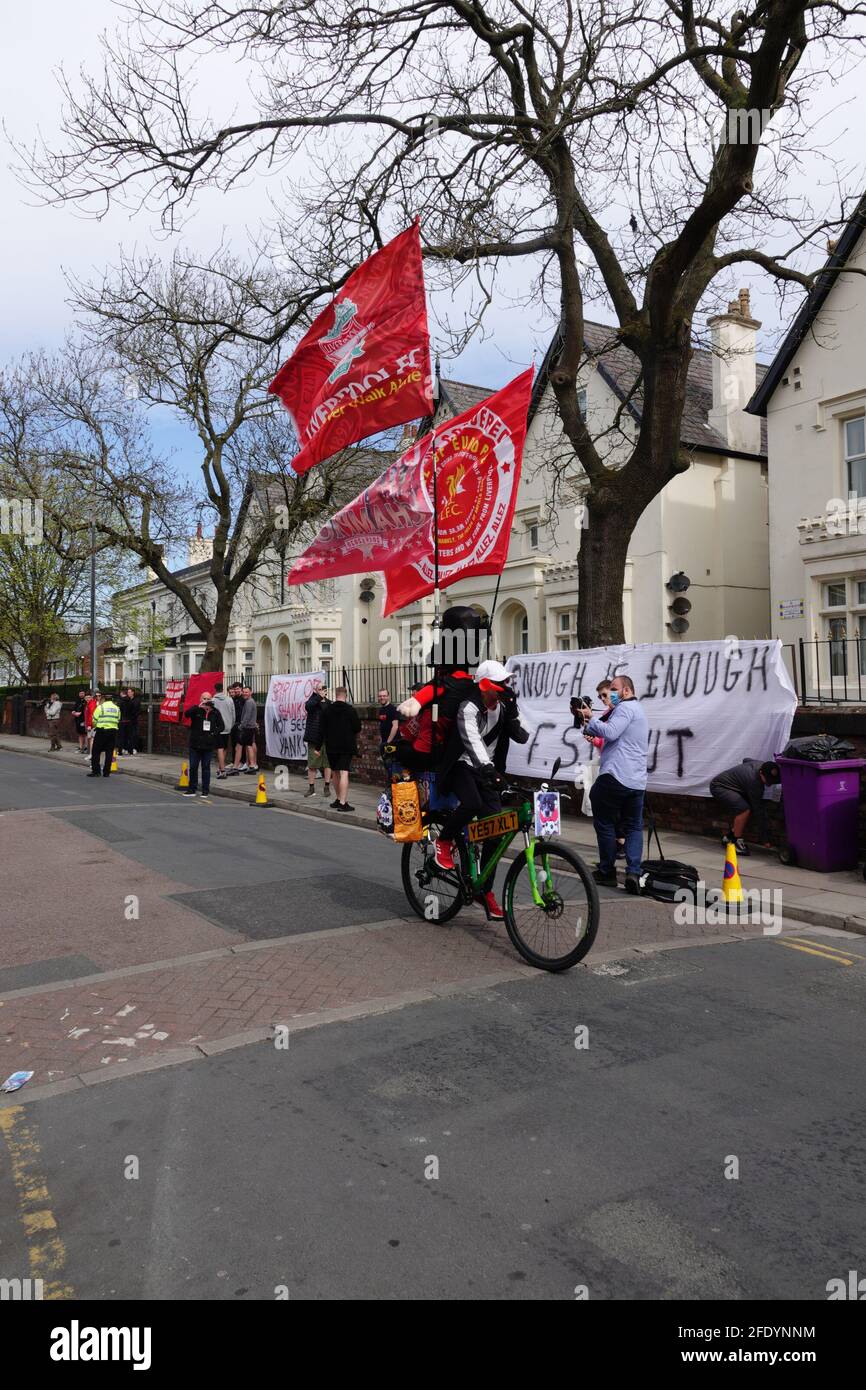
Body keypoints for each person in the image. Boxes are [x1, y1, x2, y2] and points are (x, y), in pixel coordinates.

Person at [432, 660, 530, 921]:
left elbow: (522, 736)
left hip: (489, 771)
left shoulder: (502, 707)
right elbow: (472, 742)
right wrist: (488, 771)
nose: (503, 689)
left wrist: (514, 713)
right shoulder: (468, 708)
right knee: (472, 804)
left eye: (505, 684)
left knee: (496, 830)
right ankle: (443, 840)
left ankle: (484, 889)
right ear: (484, 686)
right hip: (462, 766)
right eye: (498, 685)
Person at [581, 673, 649, 894]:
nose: (610, 692)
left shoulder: (625, 709)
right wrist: (589, 722)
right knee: (634, 826)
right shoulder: (637, 710)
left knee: (605, 821)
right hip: (637, 781)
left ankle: (607, 871)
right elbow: (607, 733)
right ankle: (633, 872)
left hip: (617, 775)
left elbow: (610, 732)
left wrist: (591, 718)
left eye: (614, 688)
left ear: (626, 691)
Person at [709, 759, 781, 855]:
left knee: (746, 807)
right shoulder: (754, 781)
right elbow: (758, 810)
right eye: (767, 780)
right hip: (719, 786)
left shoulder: (761, 765)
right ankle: (736, 842)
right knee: (744, 809)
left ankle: (729, 837)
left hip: (732, 786)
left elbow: (746, 759)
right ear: (760, 772)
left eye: (772, 780)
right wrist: (765, 839)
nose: (769, 783)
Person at [320, 687, 361, 812]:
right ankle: (343, 803)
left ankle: (338, 799)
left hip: (331, 746)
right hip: (346, 745)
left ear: (336, 695)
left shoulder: (328, 710)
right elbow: (357, 727)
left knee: (335, 772)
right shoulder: (350, 710)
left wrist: (317, 746)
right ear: (346, 696)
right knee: (344, 772)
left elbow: (322, 729)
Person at [182, 690, 224, 800]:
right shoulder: (196, 710)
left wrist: (213, 734)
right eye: (204, 698)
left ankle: (205, 790)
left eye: (208, 699)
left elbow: (221, 726)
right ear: (201, 699)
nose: (206, 700)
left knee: (206, 768)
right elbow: (186, 714)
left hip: (208, 745)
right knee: (193, 767)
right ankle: (192, 789)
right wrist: (197, 707)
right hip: (195, 744)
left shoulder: (215, 712)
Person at [303, 678, 332, 798]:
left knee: (327, 764)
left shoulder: (329, 703)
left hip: (327, 737)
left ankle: (326, 786)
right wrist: (319, 697)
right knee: (312, 764)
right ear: (315, 690)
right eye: (319, 689)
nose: (321, 691)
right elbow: (308, 707)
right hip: (314, 737)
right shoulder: (312, 700)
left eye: (323, 689)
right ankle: (311, 787)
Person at [87, 691, 121, 778]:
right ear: (112, 699)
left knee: (96, 751)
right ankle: (106, 772)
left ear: (104, 699)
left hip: (101, 731)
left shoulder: (100, 707)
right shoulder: (117, 708)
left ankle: (96, 771)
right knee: (109, 752)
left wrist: (98, 725)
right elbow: (118, 719)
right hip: (113, 732)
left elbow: (94, 720)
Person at [230, 685, 259, 774]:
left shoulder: (249, 702)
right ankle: (252, 766)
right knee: (248, 746)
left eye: (247, 692)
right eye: (244, 692)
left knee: (239, 747)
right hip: (250, 727)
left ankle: (236, 767)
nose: (245, 693)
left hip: (246, 728)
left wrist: (241, 726)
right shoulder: (250, 701)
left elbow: (247, 716)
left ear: (251, 692)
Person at [212, 681, 236, 780]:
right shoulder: (230, 700)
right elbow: (233, 714)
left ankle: (222, 771)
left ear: (215, 689)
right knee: (224, 748)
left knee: (220, 749)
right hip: (227, 727)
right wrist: (231, 725)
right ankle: (221, 768)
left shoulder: (213, 701)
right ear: (222, 689)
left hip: (218, 728)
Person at [119, 686, 140, 755]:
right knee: (125, 735)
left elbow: (136, 711)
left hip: (133, 721)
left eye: (130, 692)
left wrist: (132, 718)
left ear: (133, 693)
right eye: (128, 692)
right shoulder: (126, 700)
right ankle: (125, 748)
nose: (128, 693)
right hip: (127, 721)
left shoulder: (136, 700)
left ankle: (134, 748)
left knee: (133, 735)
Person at [72, 689, 88, 755]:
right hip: (77, 720)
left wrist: (80, 713)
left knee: (85, 734)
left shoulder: (86, 701)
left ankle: (86, 747)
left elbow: (85, 710)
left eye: (82, 693)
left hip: (83, 720)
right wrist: (73, 712)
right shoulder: (77, 700)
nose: (81, 694)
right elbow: (74, 708)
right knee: (80, 734)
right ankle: (81, 747)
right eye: (80, 693)